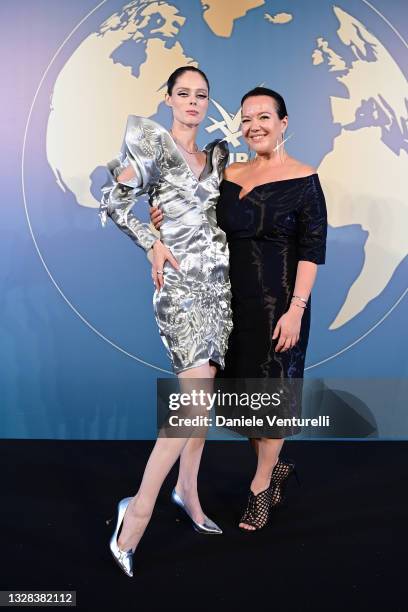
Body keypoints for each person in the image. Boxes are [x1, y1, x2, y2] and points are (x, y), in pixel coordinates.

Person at [150, 86, 327, 532]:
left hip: (279, 306)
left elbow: (311, 251)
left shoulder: (305, 179)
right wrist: (160, 218)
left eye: (264, 118)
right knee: (247, 401)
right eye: (247, 119)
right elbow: (196, 209)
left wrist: (296, 309)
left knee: (272, 397)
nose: (254, 127)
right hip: (228, 306)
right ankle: (274, 469)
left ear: (283, 123)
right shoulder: (228, 173)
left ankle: (260, 487)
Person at [99, 66, 232, 577]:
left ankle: (188, 494)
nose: (194, 102)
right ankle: (136, 512)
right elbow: (113, 202)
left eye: (202, 94)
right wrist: (152, 240)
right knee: (193, 403)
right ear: (170, 99)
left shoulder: (218, 156)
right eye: (184, 94)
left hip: (219, 286)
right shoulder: (150, 148)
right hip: (177, 285)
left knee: (201, 403)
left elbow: (219, 215)